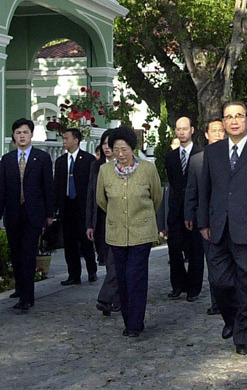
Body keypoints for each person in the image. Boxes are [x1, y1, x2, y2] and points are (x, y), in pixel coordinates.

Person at [197, 100, 247, 355]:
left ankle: (243, 337)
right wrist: (203, 222)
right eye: (228, 116)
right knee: (219, 282)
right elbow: (205, 191)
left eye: (239, 116)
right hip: (218, 228)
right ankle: (232, 320)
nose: (234, 120)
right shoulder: (212, 152)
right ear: (223, 121)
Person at [96, 126, 163, 337]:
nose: (121, 155)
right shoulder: (105, 171)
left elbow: (156, 197)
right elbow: (101, 200)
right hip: (116, 233)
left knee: (136, 276)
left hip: (141, 231)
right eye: (116, 150)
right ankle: (127, 319)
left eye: (124, 149)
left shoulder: (147, 169)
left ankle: (136, 323)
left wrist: (142, 215)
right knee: (122, 279)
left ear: (133, 149)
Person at [0, 118, 55, 312]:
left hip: (33, 214)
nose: (22, 136)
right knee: (16, 253)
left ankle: (28, 297)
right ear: (13, 135)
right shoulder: (7, 160)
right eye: (18, 132)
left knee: (28, 253)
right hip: (13, 214)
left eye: (25, 132)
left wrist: (49, 214)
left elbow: (48, 188)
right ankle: (20, 288)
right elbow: (2, 188)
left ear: (31, 135)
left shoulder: (42, 158)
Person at [184, 119, 226, 315]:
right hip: (207, 219)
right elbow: (192, 191)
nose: (218, 134)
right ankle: (217, 301)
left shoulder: (233, 157)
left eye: (221, 131)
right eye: (214, 131)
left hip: (231, 218)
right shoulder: (197, 160)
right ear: (207, 135)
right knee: (213, 262)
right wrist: (190, 215)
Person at [164, 117, 203, 301]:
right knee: (174, 248)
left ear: (192, 130)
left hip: (195, 210)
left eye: (185, 129)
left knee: (195, 250)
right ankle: (178, 284)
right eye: (178, 129)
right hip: (176, 211)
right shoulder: (170, 157)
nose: (181, 132)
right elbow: (172, 183)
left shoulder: (201, 154)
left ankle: (194, 287)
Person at [54, 128, 97, 285]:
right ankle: (74, 274)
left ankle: (92, 270)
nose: (64, 141)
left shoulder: (88, 159)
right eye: (63, 139)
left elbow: (92, 186)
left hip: (82, 206)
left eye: (66, 138)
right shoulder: (60, 162)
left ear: (76, 140)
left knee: (85, 240)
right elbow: (57, 185)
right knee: (69, 242)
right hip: (67, 206)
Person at [87, 129, 120, 316]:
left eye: (110, 144)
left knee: (115, 261)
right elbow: (91, 197)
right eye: (104, 144)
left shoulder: (124, 165)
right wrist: (89, 224)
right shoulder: (96, 166)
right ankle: (116, 297)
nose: (107, 148)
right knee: (108, 260)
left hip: (119, 219)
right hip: (100, 220)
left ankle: (108, 298)